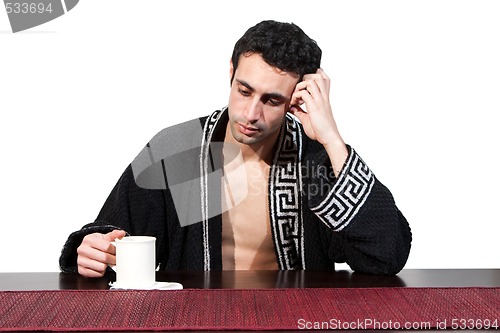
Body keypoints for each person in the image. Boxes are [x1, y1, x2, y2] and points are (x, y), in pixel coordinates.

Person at [59, 20, 411, 277]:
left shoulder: (314, 160)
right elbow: (110, 234)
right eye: (244, 91)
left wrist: (333, 139)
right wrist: (93, 250)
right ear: (231, 72)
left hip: (294, 322)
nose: (251, 114)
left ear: (296, 99)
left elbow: (386, 254)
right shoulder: (179, 149)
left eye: (272, 100)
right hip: (196, 322)